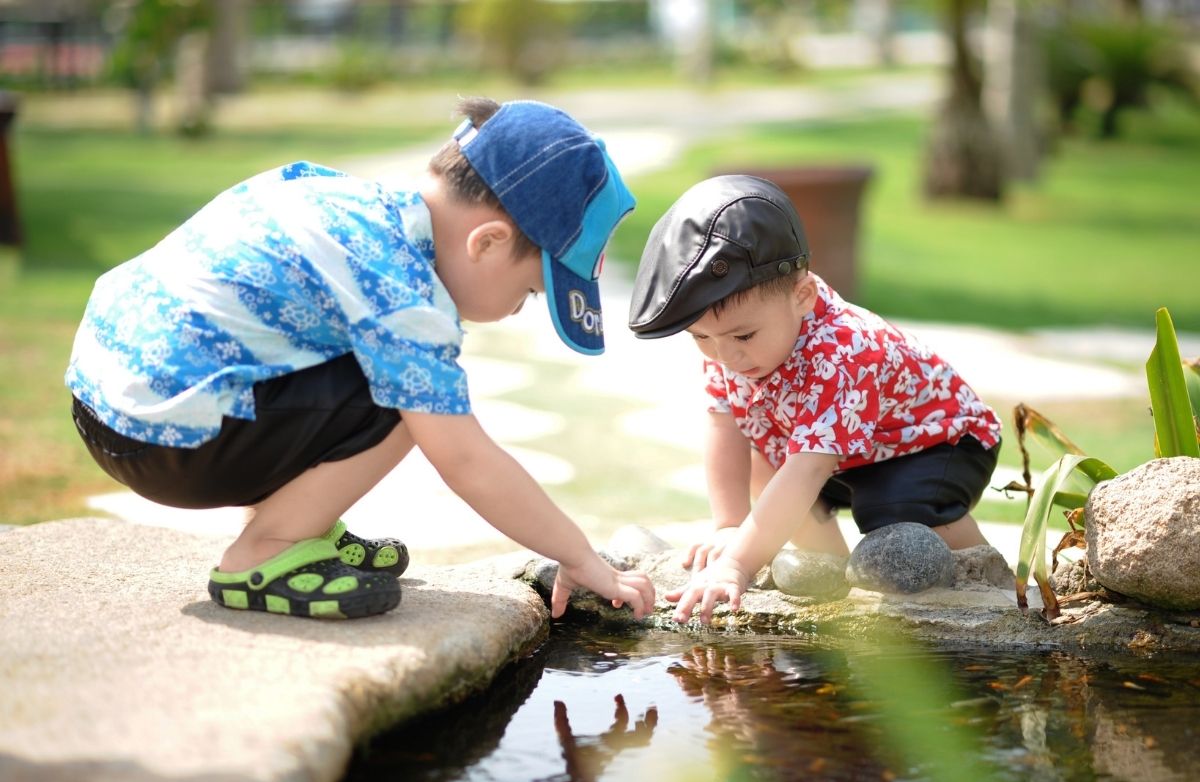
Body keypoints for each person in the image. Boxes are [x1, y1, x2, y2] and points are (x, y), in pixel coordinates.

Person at [66, 97, 655, 621]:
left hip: (110, 401)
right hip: (166, 440)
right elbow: (465, 460)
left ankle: (301, 526)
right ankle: (265, 553)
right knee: (412, 401)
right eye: (529, 293)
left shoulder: (347, 201)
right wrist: (578, 556)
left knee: (378, 368)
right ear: (489, 242)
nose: (515, 311)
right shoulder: (402, 291)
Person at [628, 174, 1001, 624]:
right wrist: (730, 525)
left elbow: (808, 469)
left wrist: (737, 564)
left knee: (890, 512)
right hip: (844, 453)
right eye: (700, 337)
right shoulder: (731, 345)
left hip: (936, 443)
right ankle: (832, 579)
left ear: (802, 296)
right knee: (764, 460)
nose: (725, 355)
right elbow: (723, 425)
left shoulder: (844, 350)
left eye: (743, 335)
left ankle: (986, 579)